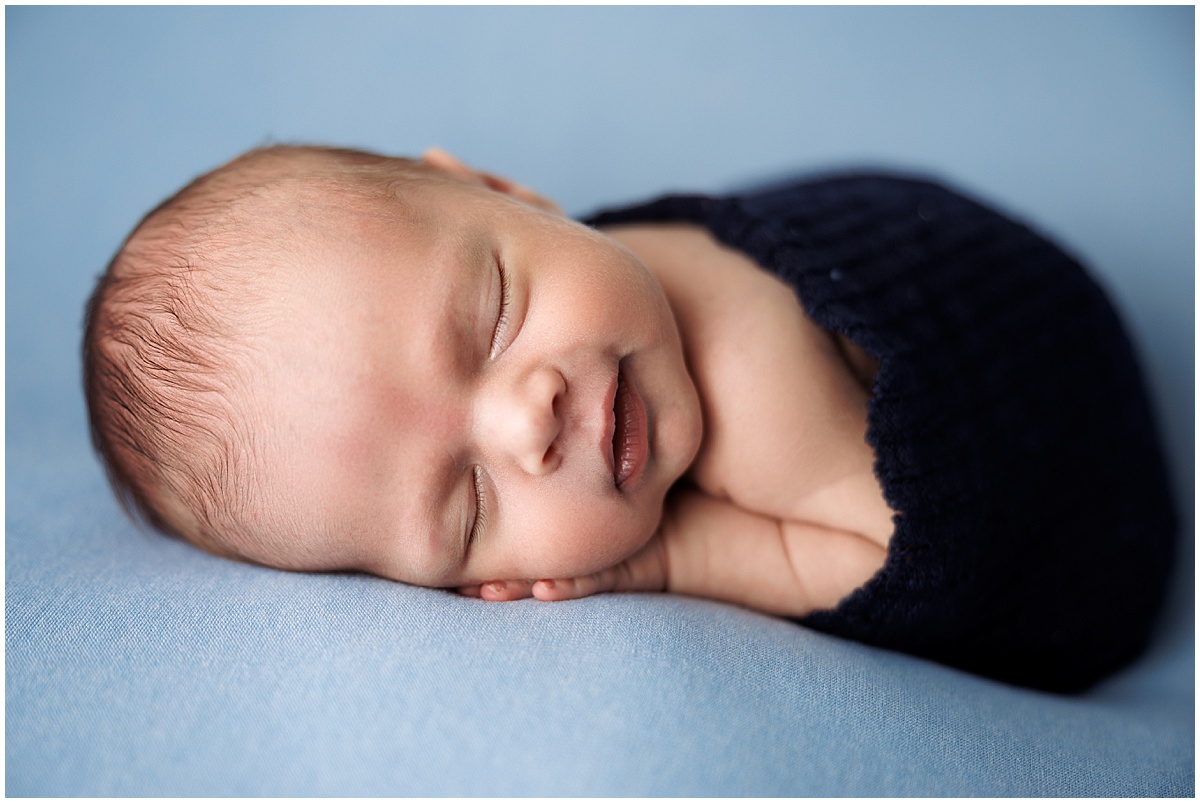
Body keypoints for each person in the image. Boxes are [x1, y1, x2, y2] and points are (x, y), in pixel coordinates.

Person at [83, 145, 1176, 691]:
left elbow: (905, 556)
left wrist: (675, 558)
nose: (529, 422)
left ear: (510, 188)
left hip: (1066, 451)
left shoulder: (764, 392)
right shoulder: (595, 302)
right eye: (467, 502)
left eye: (493, 312)